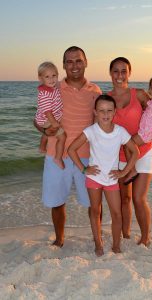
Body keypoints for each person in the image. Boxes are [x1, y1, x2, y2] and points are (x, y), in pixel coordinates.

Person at [34, 46, 101, 247]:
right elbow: (37, 119)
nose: (74, 65)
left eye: (78, 60)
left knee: (93, 202)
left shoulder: (95, 91)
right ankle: (60, 239)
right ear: (63, 65)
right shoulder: (53, 88)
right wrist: (45, 132)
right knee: (56, 201)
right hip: (57, 154)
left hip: (87, 156)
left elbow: (102, 122)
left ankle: (97, 238)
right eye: (69, 61)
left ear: (86, 62)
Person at [109, 57, 152, 246]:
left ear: (129, 73)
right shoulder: (105, 98)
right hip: (119, 155)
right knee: (124, 198)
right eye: (116, 71)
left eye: (123, 71)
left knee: (138, 198)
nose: (120, 75)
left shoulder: (140, 94)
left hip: (143, 151)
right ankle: (126, 234)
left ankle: (145, 238)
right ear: (110, 73)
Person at [68, 94, 139, 256]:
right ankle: (98, 244)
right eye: (101, 111)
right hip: (93, 178)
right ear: (95, 112)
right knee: (95, 211)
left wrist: (124, 172)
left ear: (115, 112)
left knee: (117, 213)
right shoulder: (90, 131)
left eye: (109, 111)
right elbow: (71, 149)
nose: (105, 114)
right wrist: (84, 169)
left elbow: (135, 151)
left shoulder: (120, 132)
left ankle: (116, 245)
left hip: (112, 180)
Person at [35, 61, 66, 169]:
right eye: (47, 77)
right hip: (46, 119)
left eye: (54, 76)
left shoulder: (52, 88)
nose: (51, 79)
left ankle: (42, 147)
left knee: (47, 134)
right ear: (41, 78)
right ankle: (57, 157)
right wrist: (54, 123)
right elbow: (47, 111)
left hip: (48, 119)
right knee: (62, 137)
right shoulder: (45, 93)